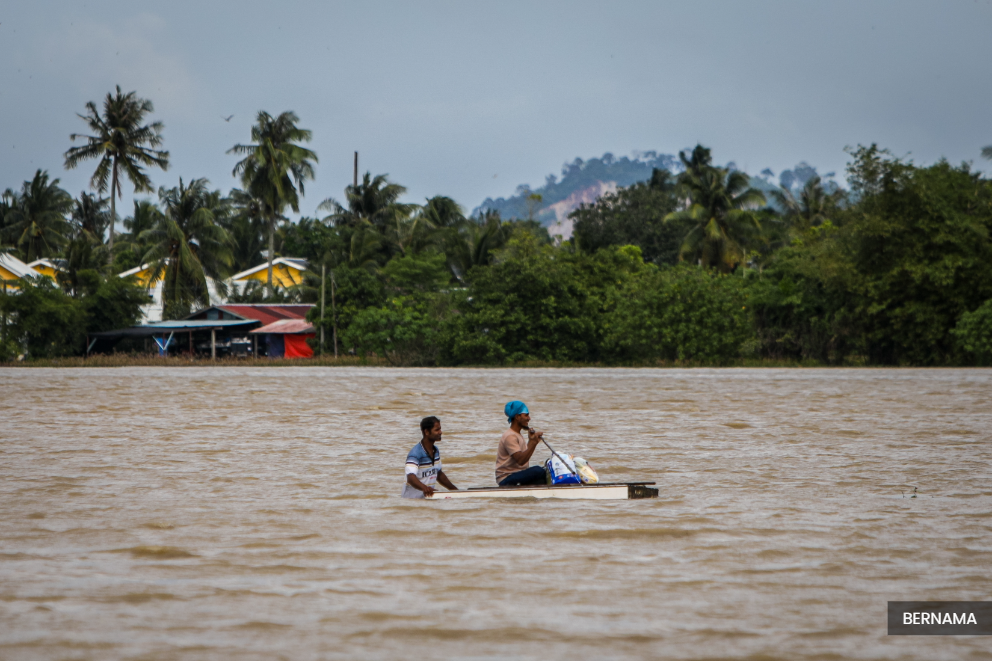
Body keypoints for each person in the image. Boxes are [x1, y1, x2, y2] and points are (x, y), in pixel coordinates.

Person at [402, 416, 458, 498]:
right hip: (411, 503)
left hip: (426, 501)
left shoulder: (435, 451)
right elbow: (411, 478)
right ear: (427, 432)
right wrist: (426, 488)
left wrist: (456, 491)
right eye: (437, 430)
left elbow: (438, 474)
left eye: (440, 429)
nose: (440, 432)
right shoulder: (415, 453)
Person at [495, 401, 547, 486]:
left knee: (545, 471)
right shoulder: (510, 436)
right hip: (506, 478)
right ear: (517, 417)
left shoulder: (517, 434)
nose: (529, 418)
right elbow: (521, 460)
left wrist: (532, 441)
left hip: (517, 474)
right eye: (526, 415)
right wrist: (533, 443)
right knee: (538, 470)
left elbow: (524, 456)